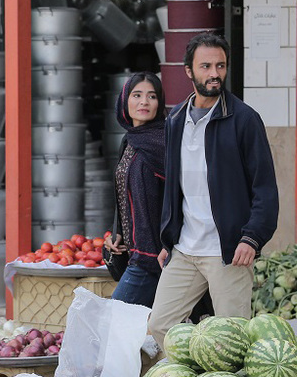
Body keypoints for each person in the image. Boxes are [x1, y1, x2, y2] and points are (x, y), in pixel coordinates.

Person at [148, 32, 279, 349]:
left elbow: (265, 189)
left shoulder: (244, 120)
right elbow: (175, 187)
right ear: (189, 71)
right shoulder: (176, 119)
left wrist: (251, 237)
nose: (214, 74)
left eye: (220, 66)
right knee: (159, 327)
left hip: (229, 253)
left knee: (234, 341)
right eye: (205, 66)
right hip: (185, 249)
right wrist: (169, 236)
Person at [105, 72, 167, 308]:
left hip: (153, 257)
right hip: (134, 254)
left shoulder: (164, 141)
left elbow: (178, 196)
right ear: (125, 101)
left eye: (152, 96)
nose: (144, 102)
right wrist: (118, 232)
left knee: (114, 319)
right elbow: (123, 191)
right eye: (137, 95)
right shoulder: (129, 140)